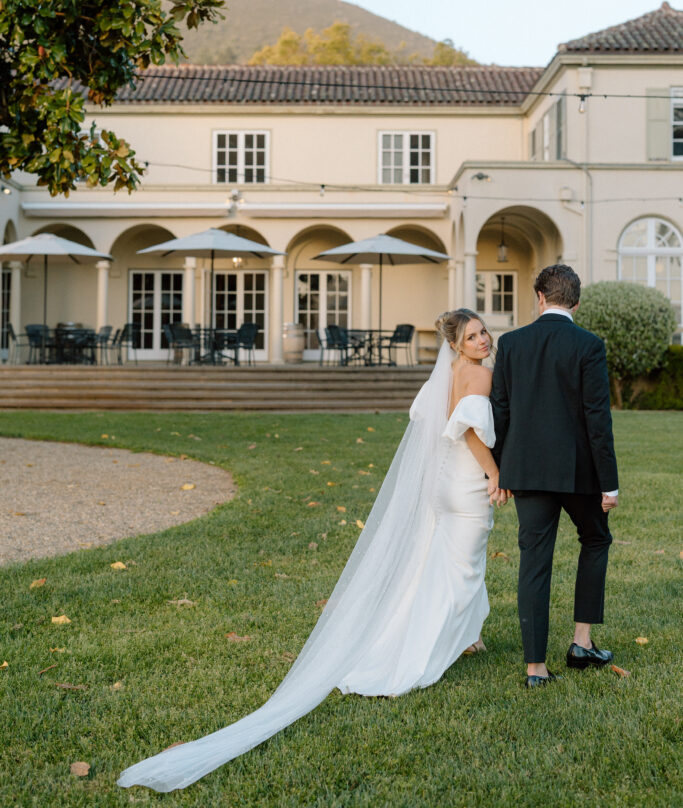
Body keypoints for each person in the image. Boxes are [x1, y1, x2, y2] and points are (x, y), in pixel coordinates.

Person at [118, 309, 507, 792]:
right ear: (457, 344)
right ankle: (421, 651)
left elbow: (433, 425)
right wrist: (494, 473)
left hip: (441, 486)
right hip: (467, 483)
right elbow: (470, 431)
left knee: (442, 564)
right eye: (472, 336)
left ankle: (466, 635)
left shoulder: (444, 376)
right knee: (462, 571)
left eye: (483, 332)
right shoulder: (478, 375)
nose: (483, 340)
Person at [490, 264, 619, 689]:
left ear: (540, 297)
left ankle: (534, 669)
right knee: (596, 538)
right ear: (576, 302)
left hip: (525, 470)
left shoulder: (510, 344)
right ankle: (581, 642)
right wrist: (609, 483)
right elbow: (597, 419)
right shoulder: (589, 345)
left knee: (534, 562)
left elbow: (500, 412)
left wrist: (500, 470)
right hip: (579, 473)